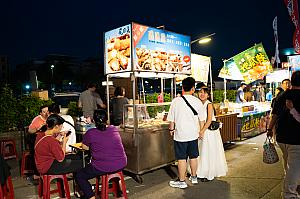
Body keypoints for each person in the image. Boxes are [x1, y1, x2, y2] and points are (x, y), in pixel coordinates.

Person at [75, 109, 127, 199]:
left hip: (103, 166)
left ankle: (91, 197)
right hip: (121, 163)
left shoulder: (90, 133)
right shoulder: (114, 129)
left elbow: (84, 147)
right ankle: (120, 191)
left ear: (93, 121)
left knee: (79, 175)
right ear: (107, 119)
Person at [267, 71, 300, 199]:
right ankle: (289, 194)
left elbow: (274, 115)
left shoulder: (281, 96)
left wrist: (270, 129)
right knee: (293, 167)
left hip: (281, 137)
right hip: (296, 138)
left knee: (288, 164)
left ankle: (291, 186)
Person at [167, 77, 203, 189]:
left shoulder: (175, 101)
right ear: (193, 88)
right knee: (193, 156)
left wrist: (171, 130)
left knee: (181, 158)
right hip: (193, 134)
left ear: (182, 88)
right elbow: (201, 119)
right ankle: (194, 177)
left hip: (180, 135)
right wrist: (201, 132)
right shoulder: (197, 101)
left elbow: (171, 120)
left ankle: (182, 181)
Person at [197, 86, 228, 181]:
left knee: (208, 151)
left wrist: (202, 131)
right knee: (202, 152)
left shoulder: (209, 104)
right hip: (203, 129)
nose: (202, 94)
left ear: (208, 95)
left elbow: (209, 120)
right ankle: (201, 171)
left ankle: (208, 173)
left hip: (209, 131)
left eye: (204, 93)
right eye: (200, 92)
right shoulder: (199, 103)